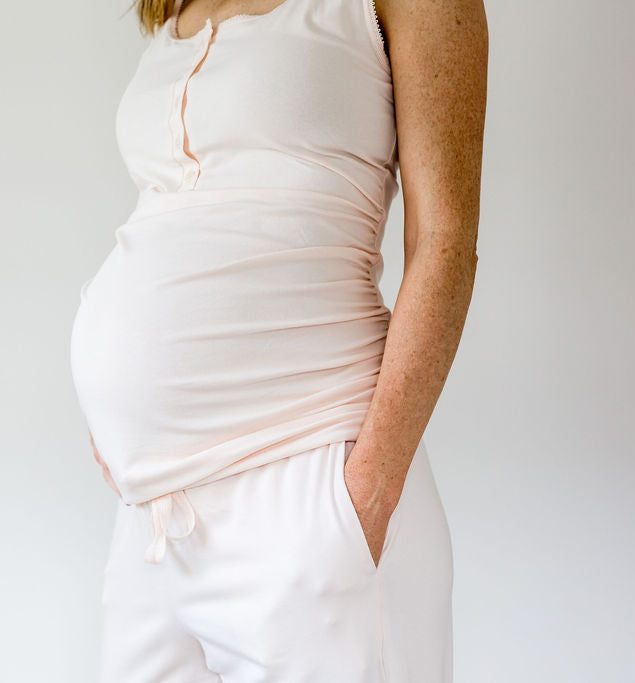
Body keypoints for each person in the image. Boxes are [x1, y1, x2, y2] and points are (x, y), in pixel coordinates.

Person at [69, 0, 487, 679]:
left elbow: (444, 243)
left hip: (309, 478)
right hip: (155, 519)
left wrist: (368, 493)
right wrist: (119, 406)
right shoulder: (181, 5)